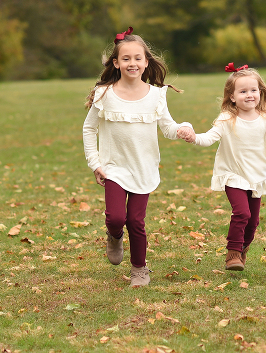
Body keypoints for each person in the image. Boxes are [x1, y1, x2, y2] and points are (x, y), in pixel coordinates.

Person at [82, 27, 195, 287]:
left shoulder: (156, 95)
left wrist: (182, 129)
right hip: (114, 167)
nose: (132, 63)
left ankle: (139, 269)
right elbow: (90, 128)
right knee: (116, 219)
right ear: (116, 63)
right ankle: (114, 236)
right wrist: (95, 163)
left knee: (135, 220)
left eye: (137, 58)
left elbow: (167, 128)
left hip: (144, 167)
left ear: (146, 62)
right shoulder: (104, 94)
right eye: (125, 58)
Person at [189, 63, 266, 271]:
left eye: (253, 90)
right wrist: (193, 137)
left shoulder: (265, 120)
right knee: (242, 213)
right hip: (233, 174)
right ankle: (232, 253)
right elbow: (209, 138)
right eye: (243, 91)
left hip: (256, 177)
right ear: (232, 96)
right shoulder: (227, 119)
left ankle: (243, 248)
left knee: (253, 222)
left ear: (261, 93)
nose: (249, 95)